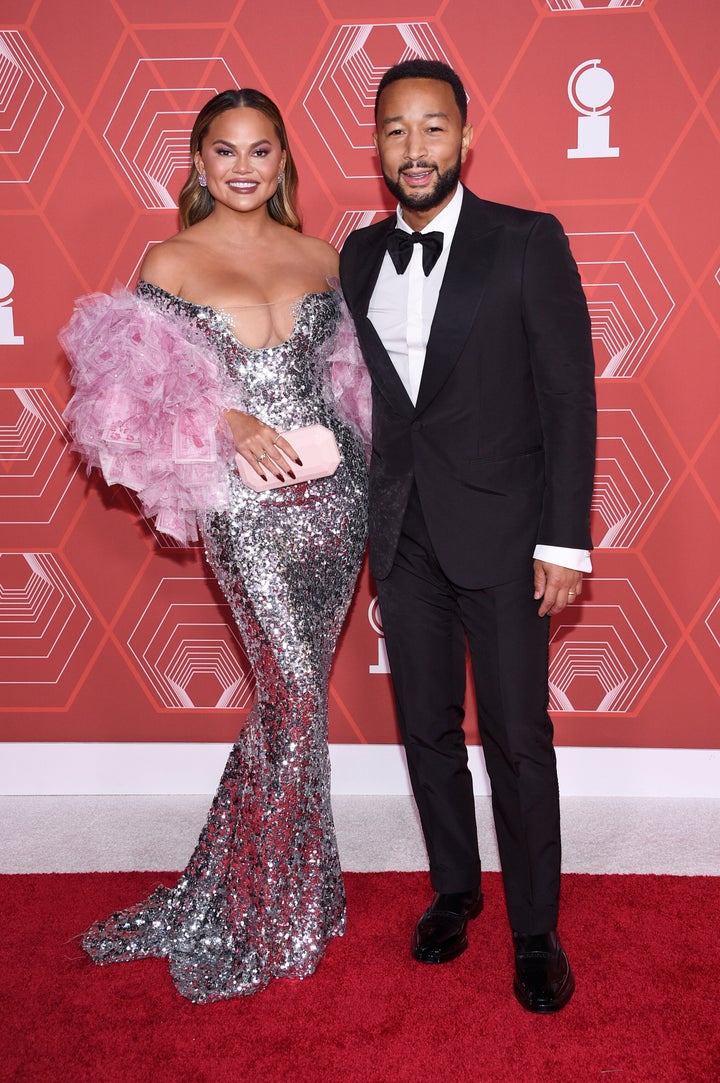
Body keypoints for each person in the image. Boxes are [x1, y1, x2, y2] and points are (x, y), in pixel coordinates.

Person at [61, 89, 370, 1003]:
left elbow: (352, 375)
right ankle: (260, 905)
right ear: (198, 163)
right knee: (287, 688)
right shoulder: (172, 259)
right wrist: (231, 419)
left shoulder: (324, 257)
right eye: (224, 151)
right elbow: (132, 385)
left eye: (261, 150)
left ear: (283, 162)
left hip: (336, 490)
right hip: (244, 499)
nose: (243, 167)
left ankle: (299, 891)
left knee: (299, 696)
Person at [339, 60, 596, 1013]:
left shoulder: (526, 241)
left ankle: (536, 928)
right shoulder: (358, 257)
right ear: (377, 147)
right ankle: (455, 889)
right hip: (401, 532)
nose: (416, 149)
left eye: (433, 129)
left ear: (465, 137)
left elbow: (570, 397)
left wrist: (564, 542)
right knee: (425, 728)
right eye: (397, 132)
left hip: (506, 531)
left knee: (520, 737)